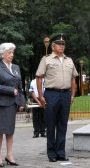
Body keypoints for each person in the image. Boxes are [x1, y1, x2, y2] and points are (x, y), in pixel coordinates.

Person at [36, 34, 78, 162]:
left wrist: (72, 95)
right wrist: (41, 95)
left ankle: (61, 152)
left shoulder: (69, 60)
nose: (61, 46)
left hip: (65, 94)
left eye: (63, 44)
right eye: (59, 44)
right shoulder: (46, 59)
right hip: (51, 94)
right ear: (53, 46)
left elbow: (73, 78)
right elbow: (39, 77)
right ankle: (51, 153)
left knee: (62, 124)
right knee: (51, 123)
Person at [0, 43, 25, 166]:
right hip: (0, 104)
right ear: (2, 54)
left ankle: (9, 155)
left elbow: (19, 87)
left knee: (10, 131)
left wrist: (22, 102)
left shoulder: (16, 67)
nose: (11, 55)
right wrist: (10, 90)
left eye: (12, 52)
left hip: (12, 104)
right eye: (9, 52)